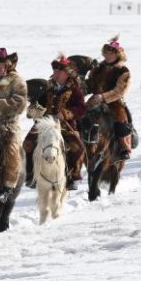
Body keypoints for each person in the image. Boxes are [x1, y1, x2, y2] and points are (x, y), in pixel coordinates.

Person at [24, 55, 87, 190]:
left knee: (77, 148)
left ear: (67, 73)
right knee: (27, 144)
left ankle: (72, 177)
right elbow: (40, 104)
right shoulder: (48, 88)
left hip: (64, 126)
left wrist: (65, 113)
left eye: (60, 71)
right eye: (55, 71)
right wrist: (33, 110)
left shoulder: (75, 90)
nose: (56, 74)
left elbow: (81, 108)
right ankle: (31, 175)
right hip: (44, 124)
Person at [0, 46, 28, 203]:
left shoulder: (17, 81)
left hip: (7, 125)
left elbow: (20, 103)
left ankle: (8, 187)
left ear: (6, 65)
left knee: (11, 150)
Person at [85, 36, 132, 159]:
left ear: (118, 55)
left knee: (121, 122)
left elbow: (119, 91)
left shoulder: (123, 71)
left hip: (114, 103)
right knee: (80, 115)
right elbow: (89, 85)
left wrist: (102, 97)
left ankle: (124, 148)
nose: (108, 55)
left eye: (111, 53)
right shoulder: (97, 69)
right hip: (94, 101)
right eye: (106, 53)